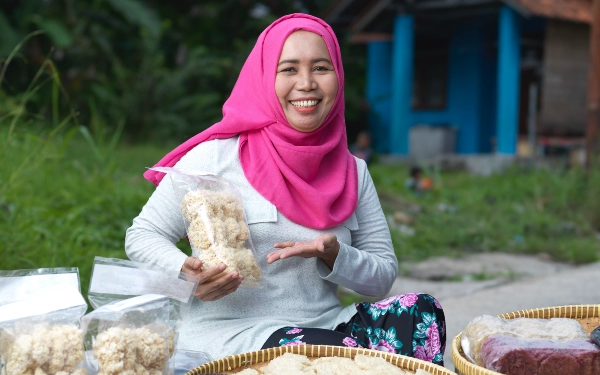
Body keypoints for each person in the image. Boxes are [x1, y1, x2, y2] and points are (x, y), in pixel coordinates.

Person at [125, 14, 445, 365]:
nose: (306, 83)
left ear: (337, 76)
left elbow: (382, 276)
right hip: (236, 334)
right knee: (345, 359)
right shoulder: (213, 158)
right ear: (264, 77)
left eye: (320, 68)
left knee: (422, 314)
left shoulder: (353, 171)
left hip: (326, 327)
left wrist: (335, 255)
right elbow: (142, 236)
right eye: (289, 69)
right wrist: (185, 273)